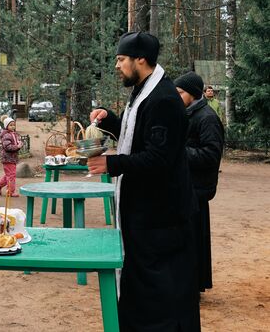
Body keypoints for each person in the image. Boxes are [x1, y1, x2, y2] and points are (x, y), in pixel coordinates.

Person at [88, 32, 200, 331]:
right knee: (144, 289)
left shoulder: (163, 99)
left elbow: (158, 159)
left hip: (162, 218)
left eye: (121, 59)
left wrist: (111, 163)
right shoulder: (144, 91)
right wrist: (111, 120)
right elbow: (139, 134)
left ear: (141, 60)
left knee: (162, 294)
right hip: (147, 213)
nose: (117, 65)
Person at [175, 72, 225, 293]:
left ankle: (192, 287)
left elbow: (211, 155)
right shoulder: (188, 113)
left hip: (198, 189)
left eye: (181, 93)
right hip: (187, 187)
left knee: (194, 240)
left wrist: (177, 153)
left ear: (193, 94)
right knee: (188, 240)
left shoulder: (207, 118)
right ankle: (189, 284)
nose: (177, 96)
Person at [0, 117, 23, 197]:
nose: (13, 127)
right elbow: (7, 147)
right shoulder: (6, 135)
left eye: (13, 125)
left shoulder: (13, 134)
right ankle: (10, 191)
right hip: (7, 158)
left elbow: (16, 142)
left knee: (9, 174)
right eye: (11, 125)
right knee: (11, 175)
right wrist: (17, 147)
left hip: (12, 157)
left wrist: (20, 144)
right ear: (6, 126)